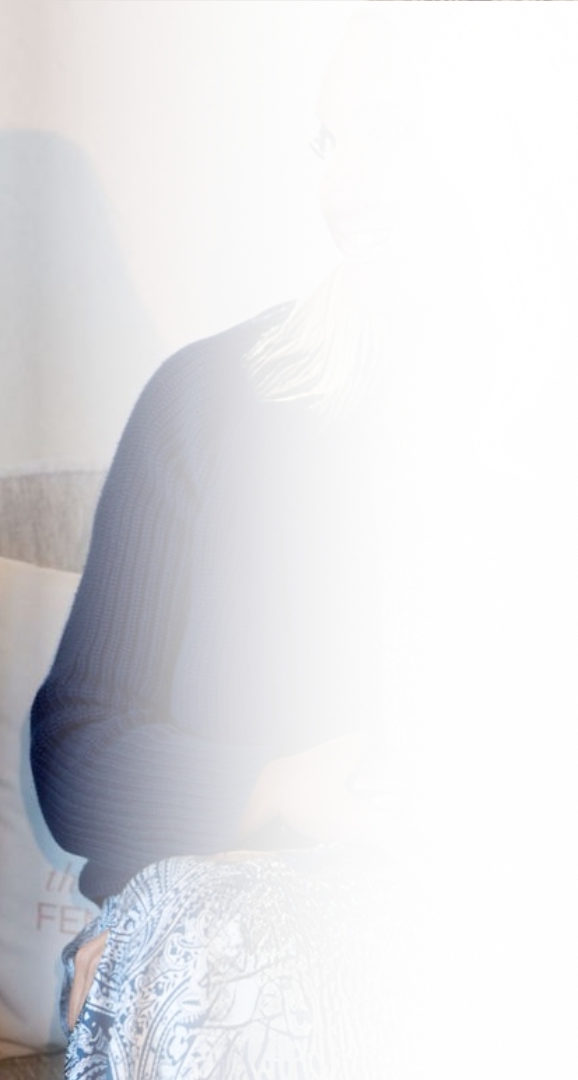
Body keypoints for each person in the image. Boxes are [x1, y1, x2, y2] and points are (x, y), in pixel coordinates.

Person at [29, 8, 575, 1077]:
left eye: (392, 134)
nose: (343, 188)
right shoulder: (214, 398)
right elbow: (76, 751)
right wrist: (284, 787)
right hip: (230, 924)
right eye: (330, 143)